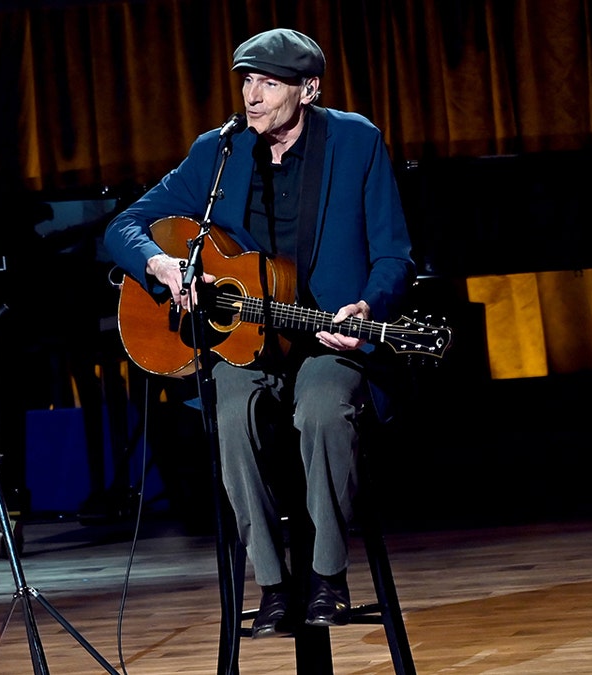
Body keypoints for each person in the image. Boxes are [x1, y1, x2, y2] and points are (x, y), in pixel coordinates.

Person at [103, 27, 414, 638]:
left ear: (309, 89)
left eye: (268, 83)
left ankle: (326, 576)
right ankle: (272, 583)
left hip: (327, 339)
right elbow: (126, 225)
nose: (252, 96)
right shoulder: (219, 153)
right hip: (246, 342)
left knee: (322, 410)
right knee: (228, 417)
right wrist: (160, 265)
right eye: (247, 81)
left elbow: (395, 255)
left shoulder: (355, 141)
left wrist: (367, 306)